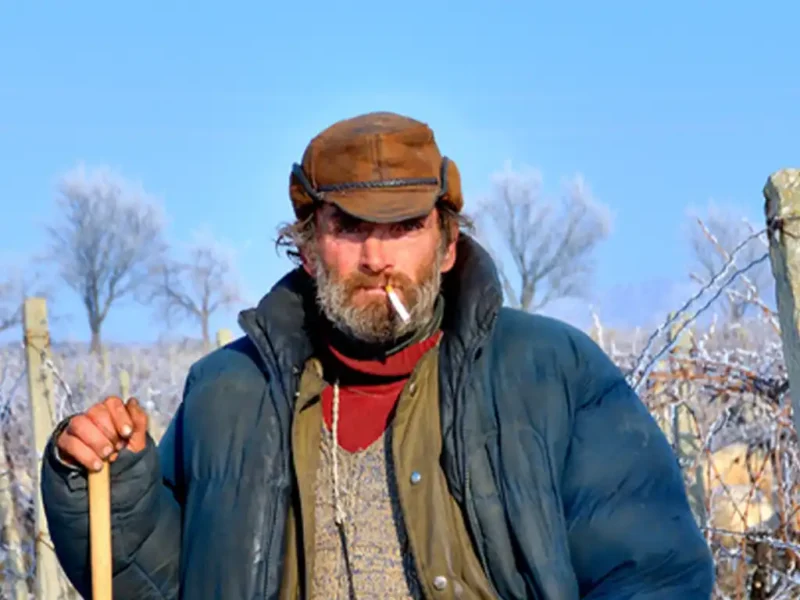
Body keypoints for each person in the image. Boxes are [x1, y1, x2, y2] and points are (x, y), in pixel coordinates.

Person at [41, 111, 715, 599]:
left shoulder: (549, 373)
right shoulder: (228, 393)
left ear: (447, 246)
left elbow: (652, 574)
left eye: (405, 227)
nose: (377, 258)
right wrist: (107, 484)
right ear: (307, 247)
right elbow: (156, 584)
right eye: (350, 227)